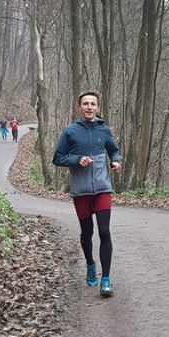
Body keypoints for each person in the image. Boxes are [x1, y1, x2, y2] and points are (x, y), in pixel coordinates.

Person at [53, 91, 122, 297]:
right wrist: (77, 160)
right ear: (79, 107)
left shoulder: (104, 129)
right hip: (81, 191)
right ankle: (91, 264)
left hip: (102, 188)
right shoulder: (70, 132)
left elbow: (114, 150)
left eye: (93, 104)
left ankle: (106, 279)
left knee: (104, 232)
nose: (90, 107)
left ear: (98, 108)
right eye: (86, 104)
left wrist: (116, 161)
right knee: (87, 233)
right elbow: (57, 158)